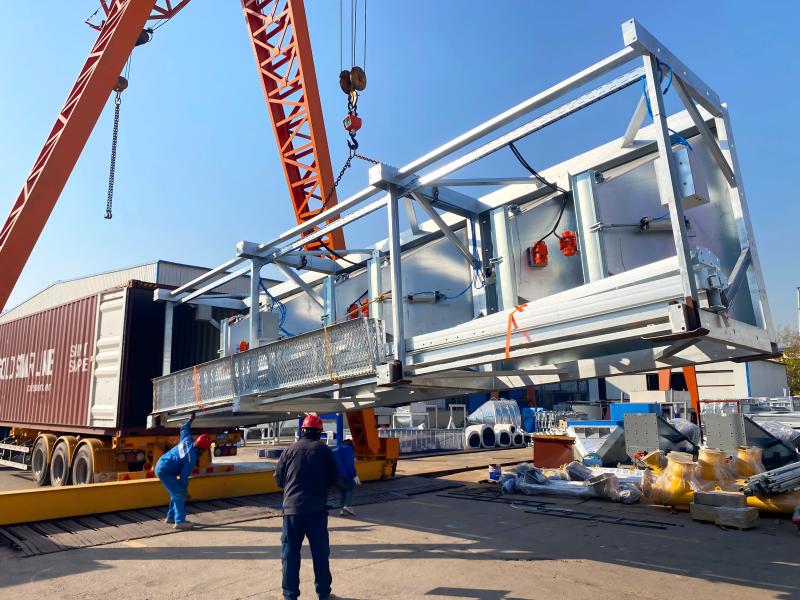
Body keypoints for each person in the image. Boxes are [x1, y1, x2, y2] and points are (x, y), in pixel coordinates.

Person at [274, 414, 340, 600]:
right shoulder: (324, 451)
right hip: (316, 511)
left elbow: (278, 479)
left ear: (302, 431)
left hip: (292, 511)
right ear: (319, 433)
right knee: (320, 554)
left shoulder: (289, 450)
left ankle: (290, 595)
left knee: (290, 555)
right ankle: (323, 594)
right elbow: (334, 478)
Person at [154, 413, 213, 530]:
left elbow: (184, 428)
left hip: (163, 464)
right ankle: (180, 521)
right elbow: (184, 477)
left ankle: (171, 517)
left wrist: (190, 420)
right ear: (203, 449)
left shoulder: (187, 439)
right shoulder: (191, 459)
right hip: (165, 471)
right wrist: (185, 492)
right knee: (179, 493)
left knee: (175, 492)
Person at [333, 438, 360, 516]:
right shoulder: (348, 449)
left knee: (342, 491)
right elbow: (349, 464)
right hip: (344, 475)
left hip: (335, 475)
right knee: (351, 487)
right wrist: (354, 475)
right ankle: (348, 506)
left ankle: (342, 509)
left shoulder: (335, 449)